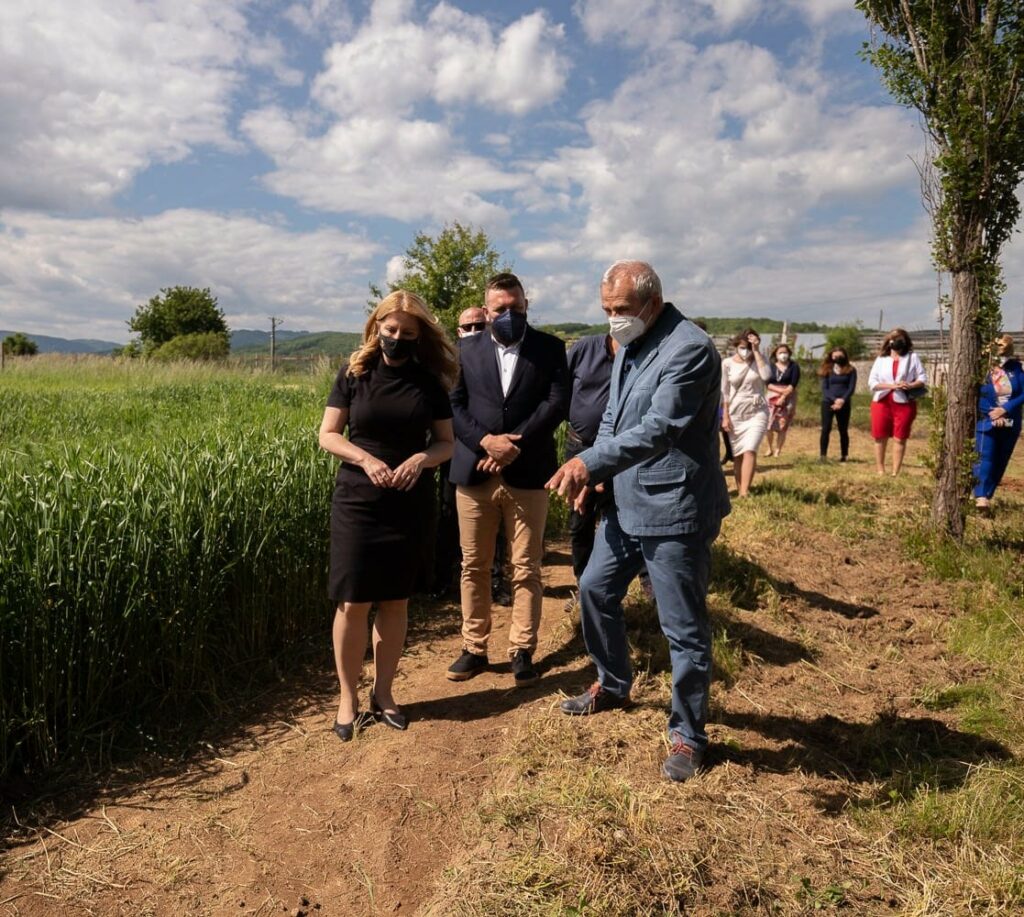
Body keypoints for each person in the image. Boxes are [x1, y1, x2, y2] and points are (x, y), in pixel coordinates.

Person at [548, 260, 730, 783]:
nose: (613, 321)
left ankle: (688, 735)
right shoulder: (632, 343)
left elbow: (660, 428)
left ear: (651, 303)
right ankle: (612, 681)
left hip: (675, 507)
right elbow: (613, 417)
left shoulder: (688, 348)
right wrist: (597, 474)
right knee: (594, 589)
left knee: (684, 631)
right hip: (626, 501)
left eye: (621, 310)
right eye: (606, 310)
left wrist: (589, 463)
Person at [318, 291, 457, 741]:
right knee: (353, 601)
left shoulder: (429, 382)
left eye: (407, 333)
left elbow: (446, 443)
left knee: (396, 601)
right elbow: (328, 436)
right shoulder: (354, 373)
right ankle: (347, 697)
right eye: (390, 329)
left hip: (408, 500)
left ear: (420, 336)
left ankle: (384, 693)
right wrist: (366, 460)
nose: (396, 338)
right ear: (376, 327)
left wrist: (421, 460)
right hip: (358, 498)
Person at [447, 272, 569, 687]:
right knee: (474, 565)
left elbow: (557, 403)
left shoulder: (550, 348)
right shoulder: (465, 350)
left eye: (515, 307)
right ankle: (475, 648)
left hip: (528, 469)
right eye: (500, 309)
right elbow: (454, 404)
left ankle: (522, 649)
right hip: (474, 472)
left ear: (526, 304)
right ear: (485, 310)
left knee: (526, 567)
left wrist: (515, 443)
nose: (508, 314)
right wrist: (486, 442)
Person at [430, 307, 511, 605]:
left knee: (497, 524)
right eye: (468, 326)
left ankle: (496, 583)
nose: (474, 330)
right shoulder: (449, 364)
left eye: (480, 324)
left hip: (492, 456)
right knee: (448, 519)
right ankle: (442, 580)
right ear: (459, 331)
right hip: (456, 455)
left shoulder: (499, 362)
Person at [565, 330, 618, 605]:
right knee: (580, 519)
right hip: (579, 447)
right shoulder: (584, 349)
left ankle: (644, 583)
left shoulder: (642, 352)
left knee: (622, 516)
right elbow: (561, 389)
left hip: (622, 452)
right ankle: (582, 585)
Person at [973, 334, 1024, 511]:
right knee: (984, 456)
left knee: (1000, 459)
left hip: (1010, 420)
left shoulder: (1016, 368)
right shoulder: (981, 368)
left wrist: (1006, 409)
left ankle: (987, 494)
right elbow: (978, 393)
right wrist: (993, 412)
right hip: (987, 418)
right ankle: (980, 496)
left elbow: (1022, 393)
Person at [868, 328, 926, 476]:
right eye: (894, 338)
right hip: (882, 401)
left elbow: (922, 378)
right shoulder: (881, 359)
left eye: (901, 339)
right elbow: (872, 382)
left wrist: (910, 384)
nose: (897, 342)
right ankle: (880, 470)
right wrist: (892, 386)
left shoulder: (912, 357)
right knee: (880, 436)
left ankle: (895, 472)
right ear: (889, 341)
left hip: (904, 402)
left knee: (900, 437)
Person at [721, 329, 771, 496]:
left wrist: (756, 351)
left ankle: (744, 492)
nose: (745, 350)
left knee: (750, 449)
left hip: (757, 410)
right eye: (742, 347)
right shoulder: (727, 363)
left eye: (748, 347)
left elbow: (766, 376)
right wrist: (725, 416)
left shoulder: (760, 359)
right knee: (738, 454)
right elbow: (725, 391)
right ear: (736, 346)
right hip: (736, 411)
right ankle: (740, 486)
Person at [818, 346, 857, 462]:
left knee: (843, 429)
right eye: (835, 356)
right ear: (831, 356)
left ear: (845, 356)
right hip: (828, 402)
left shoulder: (851, 370)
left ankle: (844, 455)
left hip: (844, 403)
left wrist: (842, 400)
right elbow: (824, 388)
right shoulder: (826, 369)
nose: (838, 358)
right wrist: (834, 400)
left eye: (840, 355)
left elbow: (851, 388)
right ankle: (823, 456)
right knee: (826, 428)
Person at [765, 342, 800, 457]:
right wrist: (779, 393)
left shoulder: (794, 366)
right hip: (772, 395)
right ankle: (769, 448)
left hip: (788, 397)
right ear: (775, 354)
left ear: (789, 353)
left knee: (783, 425)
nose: (783, 355)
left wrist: (783, 397)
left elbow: (793, 384)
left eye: (785, 352)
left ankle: (778, 450)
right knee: (768, 424)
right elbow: (768, 383)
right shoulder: (770, 366)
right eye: (780, 352)